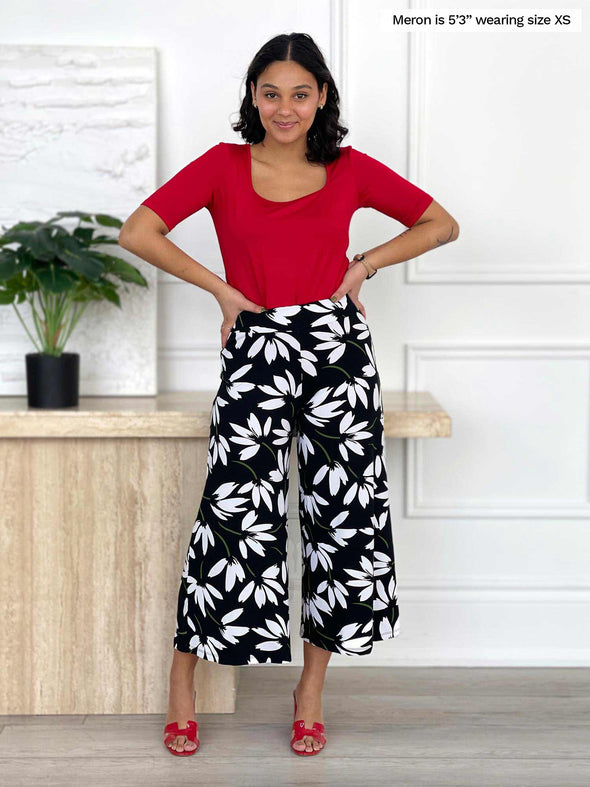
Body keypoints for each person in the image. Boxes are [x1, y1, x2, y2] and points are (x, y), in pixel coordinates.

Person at [119, 31, 459, 758]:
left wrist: (363, 263)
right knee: (233, 515)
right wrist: (221, 290)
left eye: (300, 93)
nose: (285, 107)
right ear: (252, 96)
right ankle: (182, 685)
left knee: (343, 518)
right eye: (270, 92)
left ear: (323, 98)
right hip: (256, 344)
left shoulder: (348, 169)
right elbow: (138, 230)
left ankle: (311, 691)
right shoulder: (222, 166)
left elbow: (441, 223)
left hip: (335, 349)